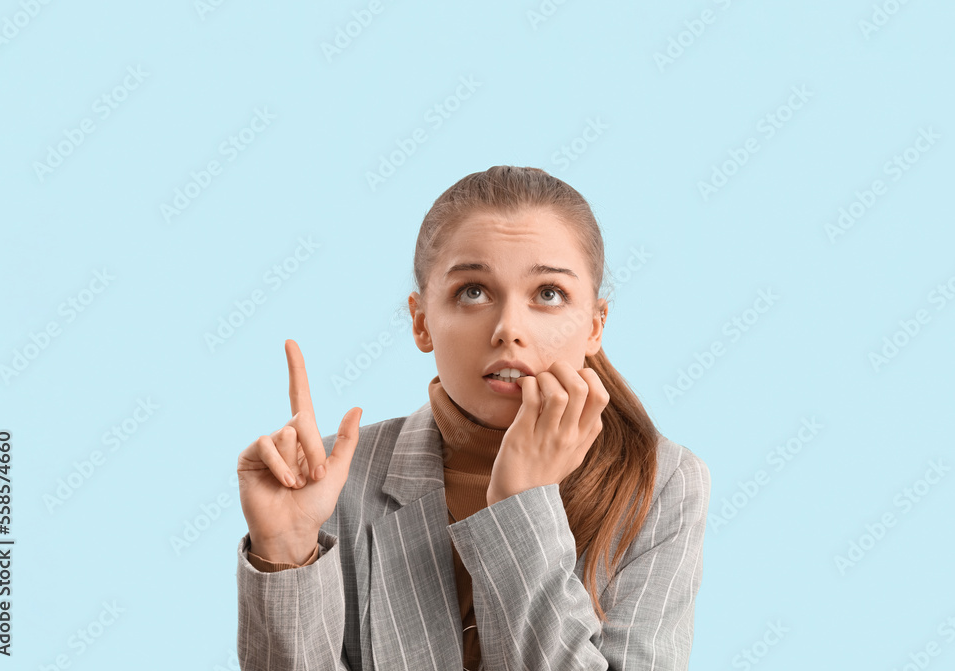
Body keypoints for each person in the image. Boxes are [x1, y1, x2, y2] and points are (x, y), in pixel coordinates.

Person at [235, 165, 711, 670]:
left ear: (595, 326)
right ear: (422, 322)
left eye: (548, 293)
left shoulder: (663, 483)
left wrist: (520, 505)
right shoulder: (329, 480)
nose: (509, 329)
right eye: (473, 292)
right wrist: (286, 551)